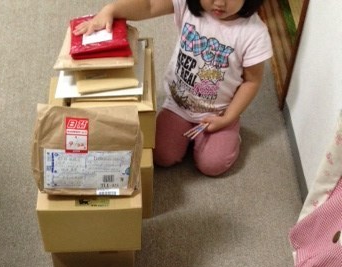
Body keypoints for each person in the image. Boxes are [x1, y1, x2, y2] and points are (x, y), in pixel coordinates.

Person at [73, 0, 273, 176]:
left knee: (213, 165)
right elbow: (149, 5)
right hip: (179, 104)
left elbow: (251, 81)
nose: (219, 3)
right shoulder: (188, 5)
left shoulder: (254, 33)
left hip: (219, 112)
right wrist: (111, 9)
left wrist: (228, 118)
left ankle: (231, 133)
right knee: (161, 155)